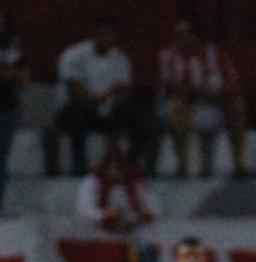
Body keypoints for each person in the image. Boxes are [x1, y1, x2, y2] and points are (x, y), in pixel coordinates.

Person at [45, 17, 141, 176]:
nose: (107, 39)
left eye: (110, 35)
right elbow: (74, 88)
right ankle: (79, 166)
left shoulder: (120, 58)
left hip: (106, 111)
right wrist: (100, 96)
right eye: (103, 34)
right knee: (79, 110)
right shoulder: (74, 54)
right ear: (94, 35)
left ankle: (128, 165)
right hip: (74, 109)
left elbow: (123, 88)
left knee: (136, 115)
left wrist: (112, 98)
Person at [158, 20, 248, 178]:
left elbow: (233, 82)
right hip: (186, 106)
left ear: (195, 36)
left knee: (237, 107)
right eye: (178, 35)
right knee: (177, 109)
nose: (182, 39)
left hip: (214, 105)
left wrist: (218, 92)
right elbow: (167, 87)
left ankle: (239, 164)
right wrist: (193, 91)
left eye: (185, 34)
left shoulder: (215, 54)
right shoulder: (169, 56)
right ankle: (182, 165)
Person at [76, 147, 158, 233]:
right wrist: (105, 215)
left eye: (120, 168)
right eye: (112, 168)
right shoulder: (91, 182)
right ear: (104, 167)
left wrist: (143, 214)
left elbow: (154, 209)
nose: (115, 173)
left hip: (134, 229)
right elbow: (84, 210)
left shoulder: (137, 183)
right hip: (98, 230)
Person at [0, 12, 28, 213]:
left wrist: (9, 73)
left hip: (6, 109)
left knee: (1, 157)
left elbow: (24, 80)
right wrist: (8, 73)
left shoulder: (13, 50)